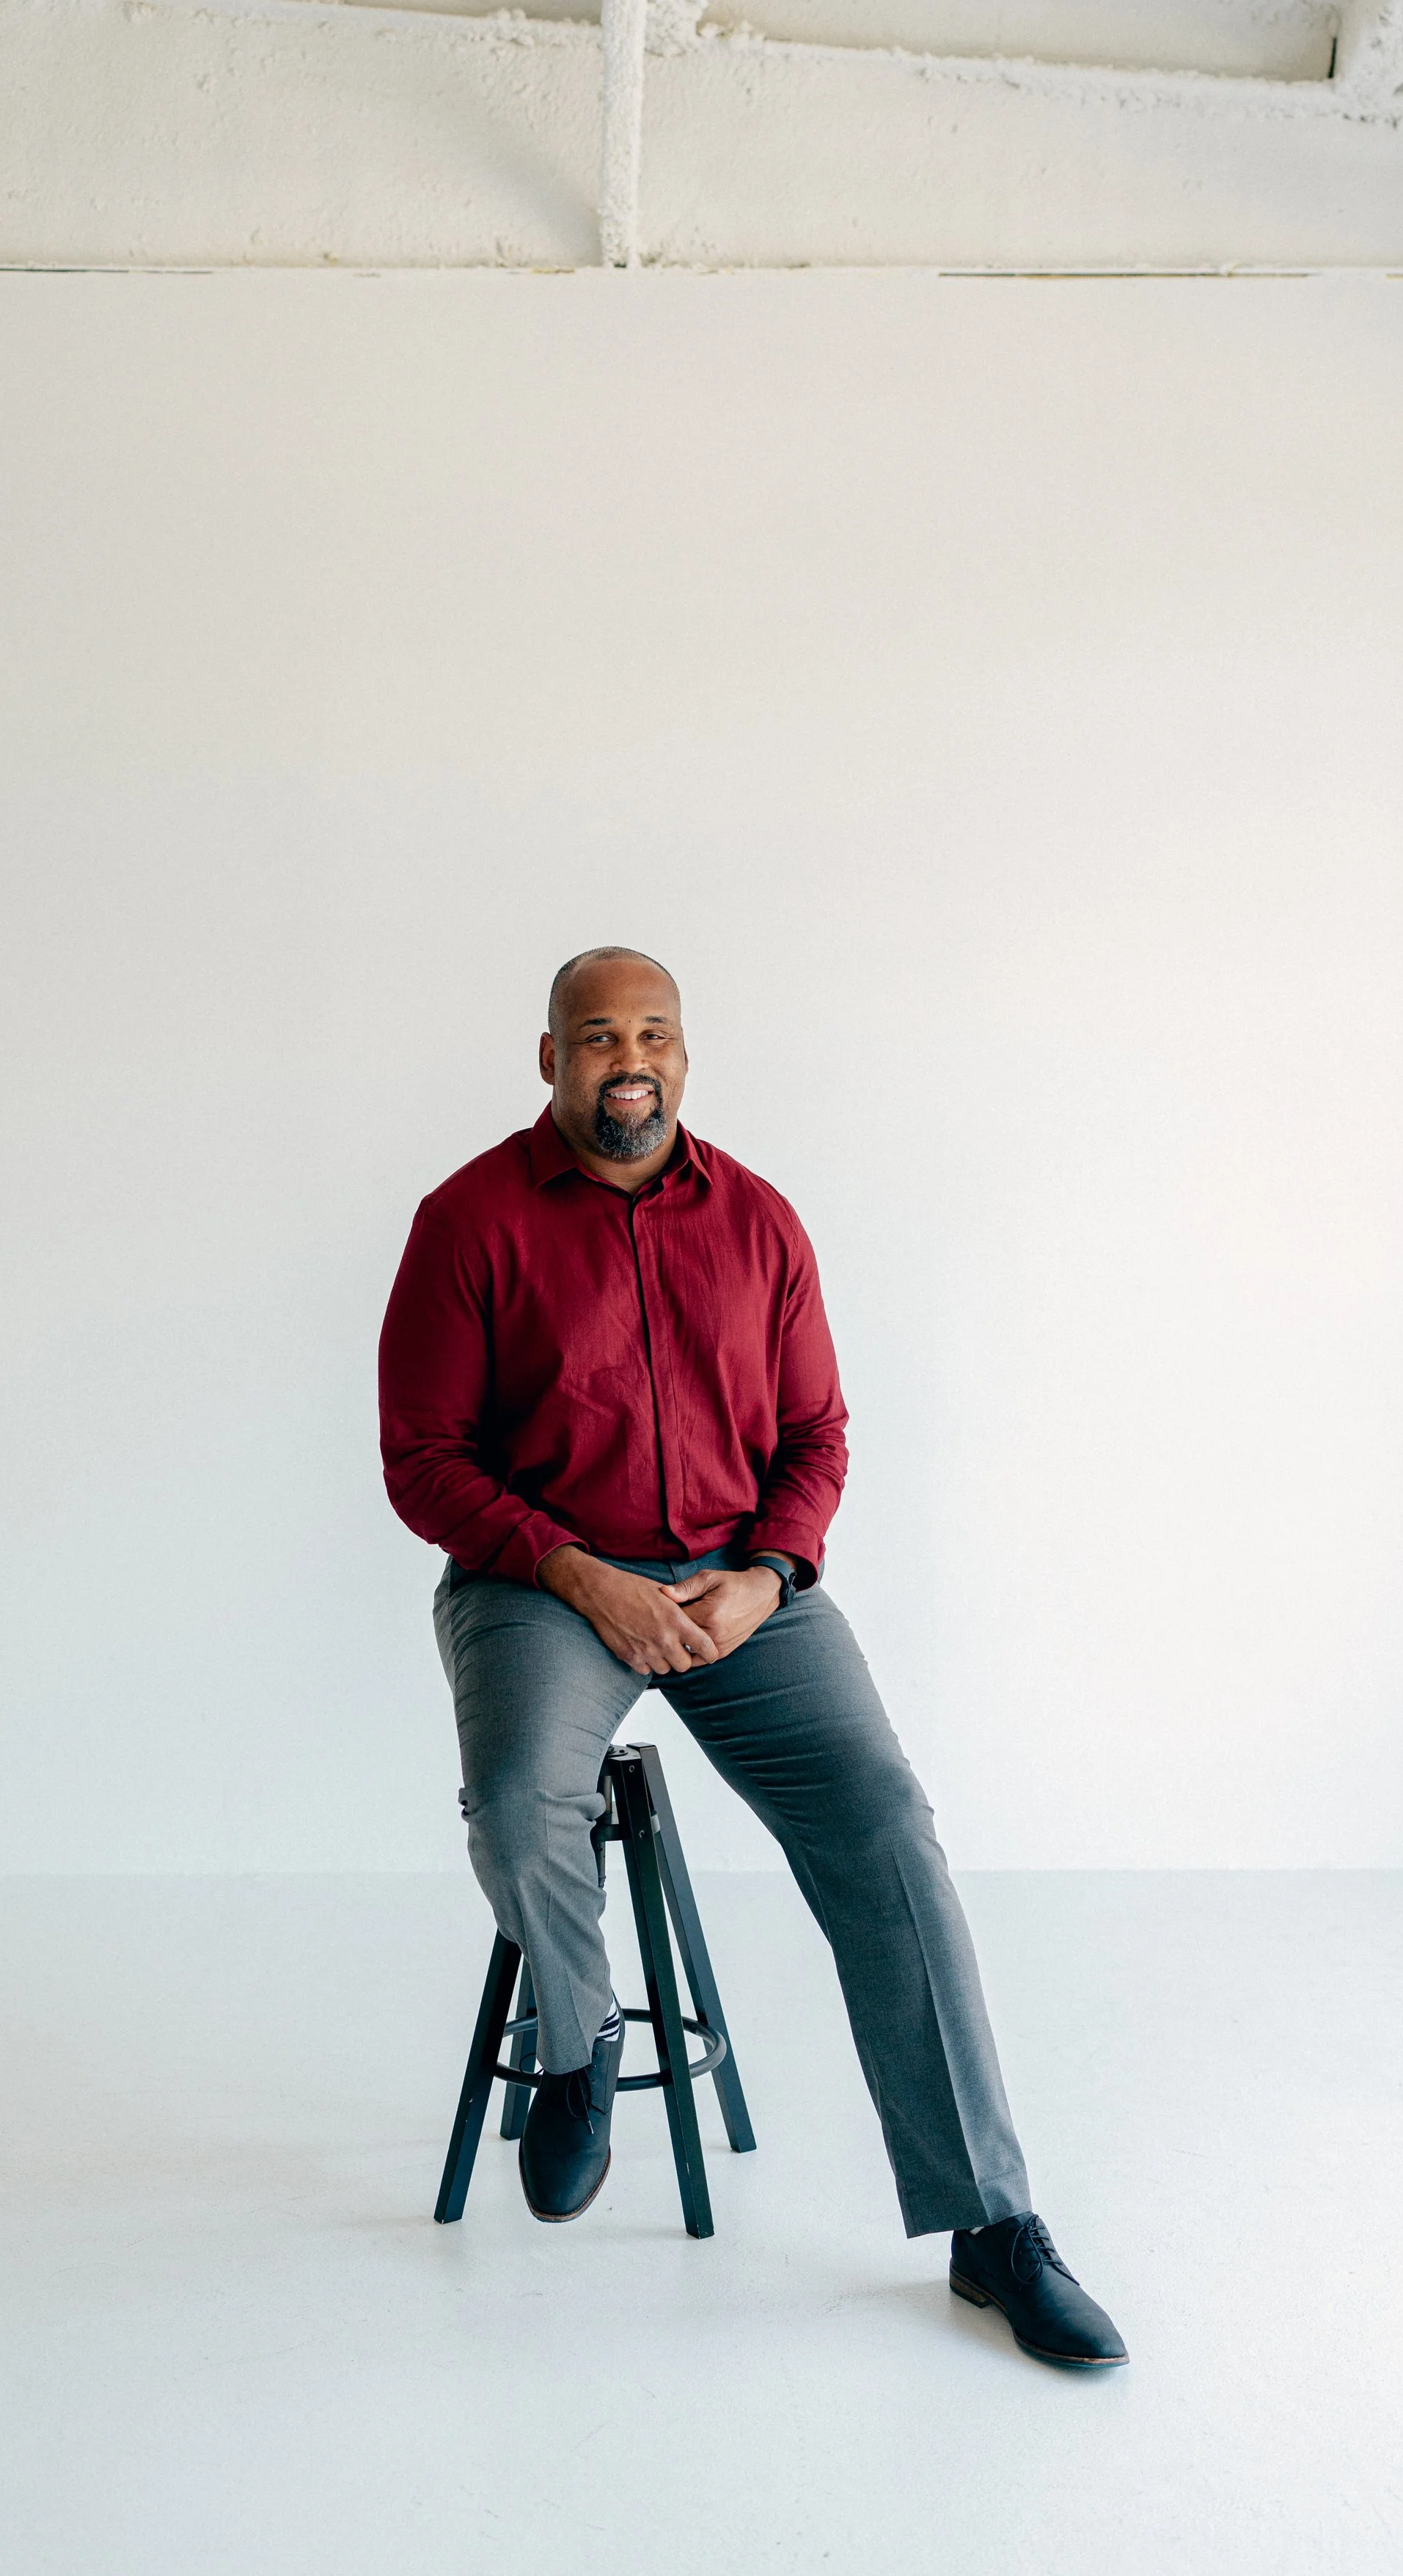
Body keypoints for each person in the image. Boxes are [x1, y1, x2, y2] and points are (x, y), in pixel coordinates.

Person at [377, 947, 1127, 2371]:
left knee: (884, 1823)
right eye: (597, 1039)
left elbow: (817, 1438)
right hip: (542, 1580)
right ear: (549, 1062)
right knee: (521, 1791)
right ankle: (583, 2038)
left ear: (684, 1052)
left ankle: (989, 2222)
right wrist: (575, 1572)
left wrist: (767, 1578)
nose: (629, 1061)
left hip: (737, 1588)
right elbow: (421, 1461)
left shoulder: (761, 1222)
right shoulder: (466, 1223)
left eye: (653, 1033)